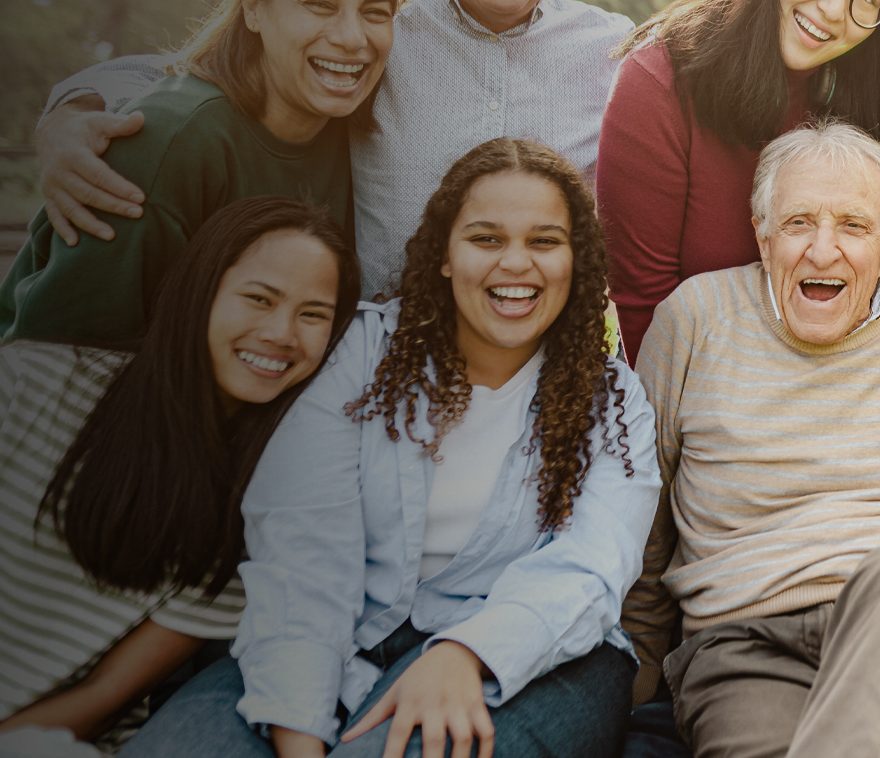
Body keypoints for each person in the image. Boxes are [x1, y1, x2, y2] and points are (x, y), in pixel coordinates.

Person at [123, 138, 660, 758]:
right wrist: (299, 737)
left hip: (537, 659)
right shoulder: (363, 355)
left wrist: (465, 654)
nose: (517, 263)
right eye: (486, 239)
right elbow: (303, 550)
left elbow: (591, 569)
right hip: (335, 640)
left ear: (576, 260)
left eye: (544, 241)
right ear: (444, 257)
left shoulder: (612, 400)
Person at [35, 0, 634, 298]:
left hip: (537, 367)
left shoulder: (612, 51)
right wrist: (70, 113)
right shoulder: (378, 16)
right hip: (370, 364)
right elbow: (195, 69)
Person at [619, 119, 880, 758]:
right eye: (799, 222)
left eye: (853, 226)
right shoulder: (696, 319)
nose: (823, 251)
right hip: (743, 644)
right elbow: (643, 514)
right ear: (763, 235)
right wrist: (633, 669)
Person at [0, 198, 360, 748]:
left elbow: (105, 694)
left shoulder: (261, 507)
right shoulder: (34, 382)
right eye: (259, 299)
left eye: (313, 314)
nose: (283, 333)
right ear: (201, 292)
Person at [1, 0, 402, 346]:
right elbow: (59, 359)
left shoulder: (360, 126)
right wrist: (68, 111)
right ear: (253, 8)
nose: (351, 37)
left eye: (375, 12)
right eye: (319, 4)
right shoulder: (170, 140)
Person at [599, 0, 880, 351]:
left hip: (857, 385)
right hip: (711, 391)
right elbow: (646, 314)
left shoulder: (870, 94)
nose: (836, 10)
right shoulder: (661, 83)